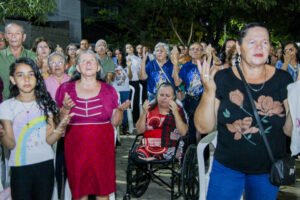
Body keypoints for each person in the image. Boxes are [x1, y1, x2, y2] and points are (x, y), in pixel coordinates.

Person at [194, 23, 293, 200]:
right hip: (227, 168)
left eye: (264, 42)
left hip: (268, 169)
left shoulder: (283, 79)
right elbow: (203, 127)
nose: (259, 47)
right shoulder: (223, 78)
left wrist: (297, 100)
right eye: (252, 42)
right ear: (239, 48)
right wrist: (208, 91)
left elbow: (289, 130)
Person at [55, 50, 130, 200]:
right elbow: (59, 123)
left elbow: (114, 122)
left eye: (92, 61)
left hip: (102, 147)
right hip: (76, 146)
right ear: (77, 67)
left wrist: (120, 111)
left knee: (102, 190)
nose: (88, 63)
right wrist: (65, 109)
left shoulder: (109, 90)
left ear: (98, 67)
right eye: (83, 60)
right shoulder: (65, 89)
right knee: (79, 190)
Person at [0, 57, 72, 200]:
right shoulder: (6, 106)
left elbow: (49, 139)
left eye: (31, 74)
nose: (26, 79)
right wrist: (1, 135)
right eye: (20, 75)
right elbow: (11, 144)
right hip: (20, 167)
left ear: (37, 77)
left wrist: (60, 128)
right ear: (13, 79)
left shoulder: (45, 104)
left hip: (45, 165)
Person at [135, 82, 188, 160]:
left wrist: (176, 113)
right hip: (147, 147)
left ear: (173, 97)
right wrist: (144, 113)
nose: (164, 98)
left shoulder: (178, 110)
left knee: (171, 154)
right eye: (161, 95)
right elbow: (139, 131)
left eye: (167, 96)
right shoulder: (149, 109)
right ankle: (153, 157)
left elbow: (183, 132)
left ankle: (156, 157)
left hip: (169, 148)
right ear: (157, 95)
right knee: (136, 156)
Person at [172, 42, 204, 144]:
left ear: (202, 51)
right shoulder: (186, 66)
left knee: (203, 128)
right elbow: (177, 82)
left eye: (198, 49)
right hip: (191, 100)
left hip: (204, 99)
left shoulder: (207, 64)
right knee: (192, 128)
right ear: (189, 52)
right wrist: (176, 63)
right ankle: (192, 152)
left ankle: (204, 154)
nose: (195, 51)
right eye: (192, 49)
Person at [0, 22, 36, 100]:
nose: (13, 36)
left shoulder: (33, 56)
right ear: (6, 37)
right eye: (10, 33)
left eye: (17, 33)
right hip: (4, 104)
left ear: (24, 37)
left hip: (28, 103)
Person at [112, 48, 132, 134]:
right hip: (115, 90)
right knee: (116, 109)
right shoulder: (112, 64)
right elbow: (111, 78)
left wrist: (129, 67)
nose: (118, 56)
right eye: (116, 54)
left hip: (125, 90)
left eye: (119, 54)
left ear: (122, 55)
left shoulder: (126, 64)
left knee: (124, 108)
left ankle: (124, 126)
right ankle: (117, 127)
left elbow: (130, 77)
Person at [125, 43, 141, 123]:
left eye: (130, 47)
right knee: (127, 102)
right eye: (127, 48)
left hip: (135, 82)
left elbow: (139, 72)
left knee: (135, 102)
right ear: (125, 50)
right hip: (126, 84)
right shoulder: (124, 58)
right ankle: (127, 121)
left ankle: (135, 120)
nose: (129, 48)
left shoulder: (138, 59)